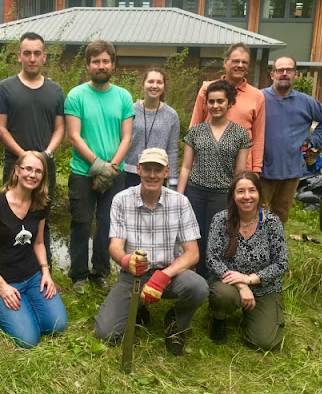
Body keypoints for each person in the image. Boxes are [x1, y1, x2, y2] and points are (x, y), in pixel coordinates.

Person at [94, 148, 208, 356]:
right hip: (133, 275)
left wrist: (163, 277)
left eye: (158, 169)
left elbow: (192, 253)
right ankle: (139, 308)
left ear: (167, 172)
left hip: (170, 274)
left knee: (198, 287)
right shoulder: (121, 200)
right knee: (106, 334)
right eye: (147, 169)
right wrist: (126, 260)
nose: (152, 175)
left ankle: (175, 322)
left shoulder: (180, 202)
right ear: (138, 169)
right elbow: (115, 247)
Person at [0, 151, 67, 348]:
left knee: (57, 325)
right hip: (1, 280)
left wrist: (46, 272)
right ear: (17, 170)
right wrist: (2, 286)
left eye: (38, 171)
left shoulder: (40, 204)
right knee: (28, 340)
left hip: (32, 277)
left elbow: (39, 243)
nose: (33, 175)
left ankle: (27, 303)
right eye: (28, 169)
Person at [65, 40, 134, 295]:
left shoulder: (123, 96)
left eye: (106, 61)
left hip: (115, 173)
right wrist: (98, 165)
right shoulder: (76, 95)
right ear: (88, 65)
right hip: (82, 172)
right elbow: (74, 136)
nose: (101, 66)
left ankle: (101, 273)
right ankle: (79, 275)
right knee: (81, 223)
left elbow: (127, 137)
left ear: (113, 64)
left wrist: (112, 167)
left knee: (108, 224)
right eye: (96, 61)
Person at [0, 32, 65, 266]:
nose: (32, 58)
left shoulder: (56, 91)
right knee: (9, 217)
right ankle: (9, 267)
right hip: (15, 164)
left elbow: (60, 129)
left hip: (45, 165)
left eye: (37, 53)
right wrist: (24, 156)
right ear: (19, 56)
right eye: (27, 53)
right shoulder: (5, 88)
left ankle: (44, 269)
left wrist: (46, 154)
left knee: (42, 217)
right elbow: (1, 128)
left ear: (44, 56)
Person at [206, 171, 288, 351]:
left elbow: (281, 263)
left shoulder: (272, 222)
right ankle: (219, 316)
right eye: (240, 191)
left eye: (252, 190)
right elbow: (212, 259)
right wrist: (242, 285)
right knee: (223, 296)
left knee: (264, 342)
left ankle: (254, 318)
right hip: (229, 284)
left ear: (259, 193)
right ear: (233, 195)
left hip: (264, 287)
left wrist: (250, 279)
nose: (247, 196)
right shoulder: (220, 219)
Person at [178, 80, 251, 278]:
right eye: (211, 101)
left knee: (219, 237)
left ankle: (216, 277)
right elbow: (185, 167)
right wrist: (179, 196)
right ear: (206, 104)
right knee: (196, 237)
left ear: (229, 103)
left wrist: (238, 197)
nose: (215, 106)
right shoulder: (195, 132)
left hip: (223, 194)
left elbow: (240, 173)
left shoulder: (240, 134)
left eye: (220, 101)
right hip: (196, 192)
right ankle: (197, 277)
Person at [261, 56, 322, 225]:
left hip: (291, 169)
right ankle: (255, 241)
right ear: (272, 75)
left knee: (281, 213)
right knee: (257, 212)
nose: (284, 73)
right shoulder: (260, 98)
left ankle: (276, 241)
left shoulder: (306, 102)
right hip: (262, 168)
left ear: (295, 74)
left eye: (288, 70)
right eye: (280, 70)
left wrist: (314, 141)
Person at [190, 43, 265, 174]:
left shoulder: (257, 96)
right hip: (208, 165)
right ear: (225, 62)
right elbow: (194, 126)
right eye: (236, 61)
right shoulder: (208, 89)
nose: (240, 65)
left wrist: (256, 170)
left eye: (244, 62)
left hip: (241, 169)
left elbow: (258, 136)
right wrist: (191, 162)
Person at [124, 67, 179, 189]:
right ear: (143, 84)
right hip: (129, 173)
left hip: (157, 174)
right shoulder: (130, 110)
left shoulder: (171, 115)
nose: (154, 86)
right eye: (150, 81)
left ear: (164, 86)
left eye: (159, 82)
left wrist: (173, 182)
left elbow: (172, 150)